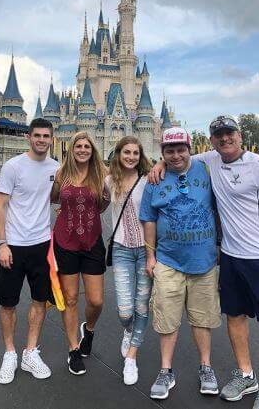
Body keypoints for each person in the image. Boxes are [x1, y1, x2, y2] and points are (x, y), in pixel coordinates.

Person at [150, 115, 259, 409]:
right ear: (212, 140)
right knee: (235, 316)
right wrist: (160, 163)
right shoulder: (210, 159)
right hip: (228, 255)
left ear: (239, 136)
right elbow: (180, 157)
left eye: (230, 133)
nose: (225, 139)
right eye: (219, 135)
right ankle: (245, 374)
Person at [140, 127, 221, 400]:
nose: (175, 155)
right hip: (168, 260)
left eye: (180, 150)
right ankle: (166, 370)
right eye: (169, 151)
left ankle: (206, 367)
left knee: (202, 318)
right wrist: (150, 256)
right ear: (162, 152)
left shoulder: (207, 169)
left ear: (190, 149)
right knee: (167, 318)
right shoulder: (154, 180)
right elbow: (148, 219)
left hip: (204, 261)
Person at [0, 118, 59, 384]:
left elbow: (65, 191)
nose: (42, 140)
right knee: (8, 303)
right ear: (29, 138)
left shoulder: (57, 167)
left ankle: (30, 351)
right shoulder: (13, 166)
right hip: (14, 246)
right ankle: (10, 353)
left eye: (46, 136)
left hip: (42, 245)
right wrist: (2, 244)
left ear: (52, 139)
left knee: (39, 300)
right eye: (37, 135)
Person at [51, 131, 108, 376]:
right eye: (78, 146)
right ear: (71, 149)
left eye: (87, 146)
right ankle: (73, 349)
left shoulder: (101, 174)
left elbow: (103, 204)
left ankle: (90, 328)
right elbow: (53, 199)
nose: (83, 149)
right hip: (65, 241)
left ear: (92, 150)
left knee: (96, 301)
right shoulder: (61, 174)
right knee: (71, 298)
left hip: (92, 241)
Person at [105, 136, 152, 386]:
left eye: (135, 153)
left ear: (141, 155)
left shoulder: (149, 180)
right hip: (122, 250)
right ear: (119, 154)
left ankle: (131, 357)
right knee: (125, 310)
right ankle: (128, 329)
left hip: (145, 250)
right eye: (127, 152)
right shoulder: (109, 180)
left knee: (142, 305)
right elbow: (92, 197)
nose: (131, 157)